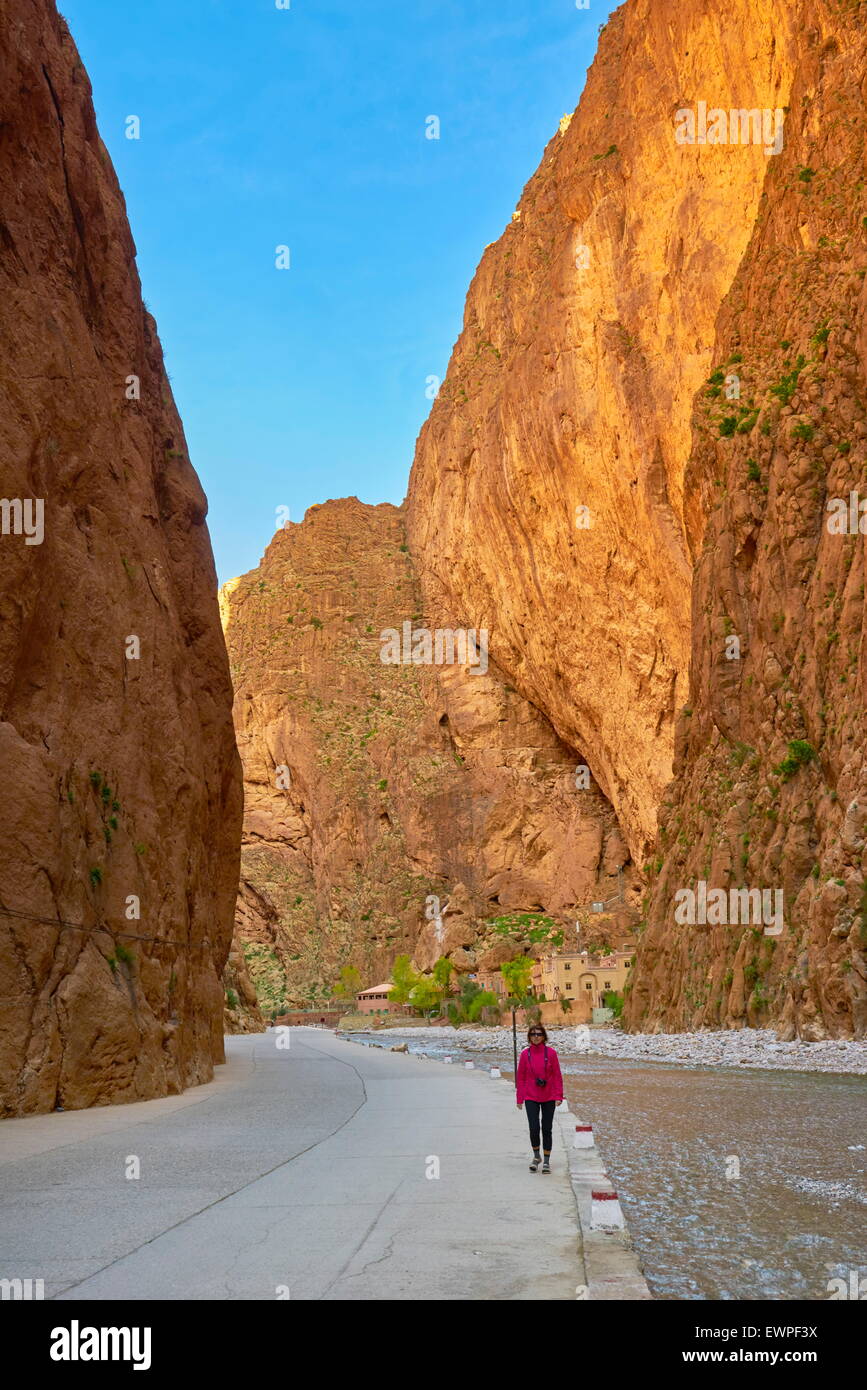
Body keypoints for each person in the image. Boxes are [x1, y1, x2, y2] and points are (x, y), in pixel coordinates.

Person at [515, 1024, 563, 1172]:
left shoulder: (551, 1053)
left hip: (549, 1096)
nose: (536, 1037)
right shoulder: (525, 1054)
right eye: (533, 1034)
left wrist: (559, 1095)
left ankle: (547, 1160)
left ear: (544, 1036)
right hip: (531, 1096)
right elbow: (521, 1077)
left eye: (539, 1034)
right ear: (529, 1037)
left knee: (547, 1129)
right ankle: (536, 1157)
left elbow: (557, 1076)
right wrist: (519, 1098)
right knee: (534, 1128)